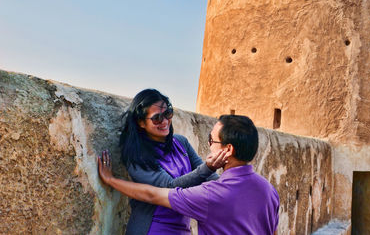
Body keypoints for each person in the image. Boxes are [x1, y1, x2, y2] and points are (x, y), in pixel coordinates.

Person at [99, 114, 280, 235]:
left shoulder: (211, 195)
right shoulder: (269, 190)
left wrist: (110, 179)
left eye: (212, 140)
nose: (209, 145)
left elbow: (151, 193)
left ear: (228, 149)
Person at [116, 89, 227, 235]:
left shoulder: (181, 142)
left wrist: (228, 186)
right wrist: (208, 168)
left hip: (182, 228)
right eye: (157, 118)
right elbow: (169, 188)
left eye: (167, 114)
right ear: (141, 122)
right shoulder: (136, 155)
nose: (165, 121)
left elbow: (209, 178)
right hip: (153, 228)